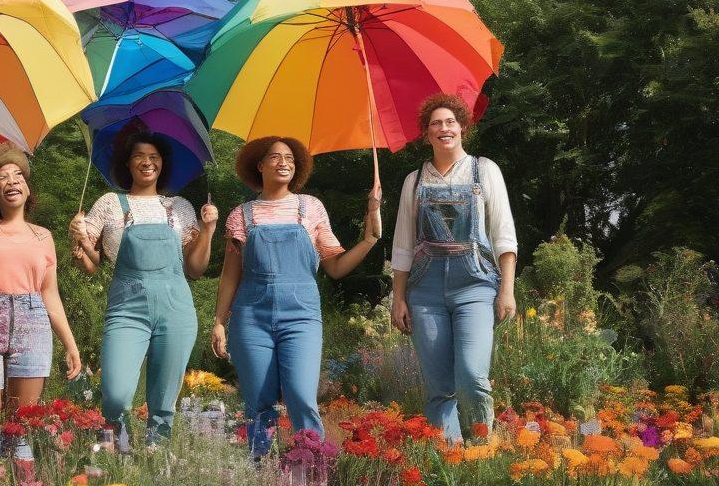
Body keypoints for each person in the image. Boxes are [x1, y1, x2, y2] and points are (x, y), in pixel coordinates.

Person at [211, 137, 380, 456]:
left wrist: (369, 237)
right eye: (274, 157)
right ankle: (261, 475)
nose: (283, 162)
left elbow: (336, 267)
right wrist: (220, 322)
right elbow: (230, 275)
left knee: (302, 396)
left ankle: (312, 474)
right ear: (259, 166)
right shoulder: (241, 215)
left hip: (301, 317)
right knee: (259, 401)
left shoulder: (311, 208)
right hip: (251, 319)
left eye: (289, 157)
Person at [69, 128, 217, 447]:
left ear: (162, 163)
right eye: (139, 156)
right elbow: (91, 265)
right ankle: (120, 452)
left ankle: (154, 458)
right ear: (127, 163)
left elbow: (195, 268)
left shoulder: (180, 207)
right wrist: (80, 238)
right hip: (126, 310)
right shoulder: (110, 203)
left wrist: (208, 230)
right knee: (117, 394)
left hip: (176, 309)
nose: (147, 162)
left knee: (164, 401)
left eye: (154, 156)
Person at [390, 93, 517, 443]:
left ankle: (481, 451)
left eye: (450, 122)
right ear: (426, 134)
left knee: (473, 375)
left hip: (475, 284)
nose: (444, 128)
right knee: (439, 385)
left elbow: (504, 235)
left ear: (462, 127)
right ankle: (447, 458)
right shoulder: (413, 181)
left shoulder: (485, 169)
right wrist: (398, 298)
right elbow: (402, 246)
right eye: (436, 124)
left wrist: (507, 289)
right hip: (424, 290)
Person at [0, 144, 82, 461]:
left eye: (18, 176)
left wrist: (70, 345)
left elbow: (49, 294)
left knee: (20, 426)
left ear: (28, 190)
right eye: (3, 177)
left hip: (33, 324)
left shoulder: (44, 237)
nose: (12, 181)